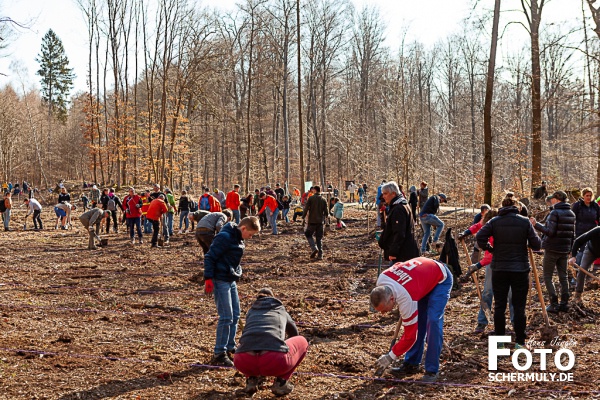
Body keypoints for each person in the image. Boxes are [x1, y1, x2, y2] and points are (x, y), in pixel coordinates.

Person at [371, 257, 453, 382]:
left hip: (439, 279)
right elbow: (398, 264)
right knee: (418, 321)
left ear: (392, 299)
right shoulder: (382, 279)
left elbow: (410, 337)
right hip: (420, 281)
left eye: (384, 309)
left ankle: (432, 370)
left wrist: (390, 356)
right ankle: (411, 363)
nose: (383, 313)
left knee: (433, 321)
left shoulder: (406, 298)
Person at [476, 197, 542, 349]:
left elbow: (480, 236)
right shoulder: (524, 222)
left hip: (499, 268)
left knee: (499, 305)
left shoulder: (495, 221)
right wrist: (527, 243)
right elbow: (537, 244)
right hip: (520, 269)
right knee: (519, 306)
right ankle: (520, 341)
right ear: (517, 207)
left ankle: (499, 342)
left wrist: (489, 248)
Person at [204, 216, 261, 367]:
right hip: (220, 279)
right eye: (250, 234)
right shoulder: (224, 237)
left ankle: (230, 346)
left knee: (235, 314)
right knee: (226, 316)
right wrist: (208, 277)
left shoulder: (238, 238)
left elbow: (233, 260)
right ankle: (219, 353)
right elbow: (210, 257)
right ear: (243, 229)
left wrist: (237, 272)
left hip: (230, 279)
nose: (250, 237)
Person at [234, 288, 308, 396]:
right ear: (274, 298)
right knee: (303, 341)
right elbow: (294, 334)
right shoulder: (280, 309)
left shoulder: (251, 311)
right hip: (274, 361)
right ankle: (281, 382)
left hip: (243, 360)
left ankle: (251, 380)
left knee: (249, 344)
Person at [530, 190, 576, 313]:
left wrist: (536, 224)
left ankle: (554, 303)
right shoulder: (571, 213)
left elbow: (549, 232)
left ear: (556, 199)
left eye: (552, 199)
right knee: (563, 276)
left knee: (547, 276)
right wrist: (570, 249)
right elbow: (572, 234)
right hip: (565, 249)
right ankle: (564, 303)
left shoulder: (554, 213)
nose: (551, 201)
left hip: (552, 248)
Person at [378, 181, 419, 264]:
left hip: (401, 255)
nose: (383, 196)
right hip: (403, 253)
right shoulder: (399, 205)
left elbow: (399, 233)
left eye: (385, 194)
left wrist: (393, 252)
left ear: (393, 194)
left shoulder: (398, 209)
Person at [569, 225, 600, 304]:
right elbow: (578, 241)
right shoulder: (596, 231)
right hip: (591, 251)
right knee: (582, 270)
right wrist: (573, 256)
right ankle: (578, 295)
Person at [571, 187, 600, 265]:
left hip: (593, 232)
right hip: (580, 231)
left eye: (590, 195)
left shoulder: (595, 206)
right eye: (587, 195)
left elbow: (598, 218)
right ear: (583, 196)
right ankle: (578, 270)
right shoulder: (578, 205)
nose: (589, 197)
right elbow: (572, 218)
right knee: (581, 252)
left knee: (590, 251)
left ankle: (587, 269)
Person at [303, 185, 328, 260]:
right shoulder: (324, 199)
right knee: (319, 238)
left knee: (308, 234)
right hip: (320, 221)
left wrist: (303, 216)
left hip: (312, 221)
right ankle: (320, 255)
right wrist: (326, 219)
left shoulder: (311, 198)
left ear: (314, 190)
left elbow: (306, 208)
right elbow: (326, 211)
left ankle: (314, 248)